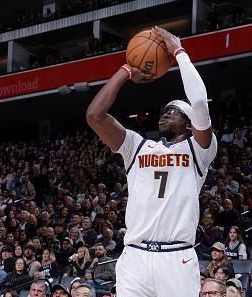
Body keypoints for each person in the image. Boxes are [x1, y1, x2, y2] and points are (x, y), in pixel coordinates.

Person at [86, 26, 217, 297]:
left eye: (174, 112)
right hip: (135, 257)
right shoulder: (137, 146)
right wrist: (126, 71)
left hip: (177, 257)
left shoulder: (199, 149)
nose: (165, 115)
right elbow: (95, 116)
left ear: (190, 124)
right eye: (163, 111)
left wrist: (180, 53)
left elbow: (200, 102)